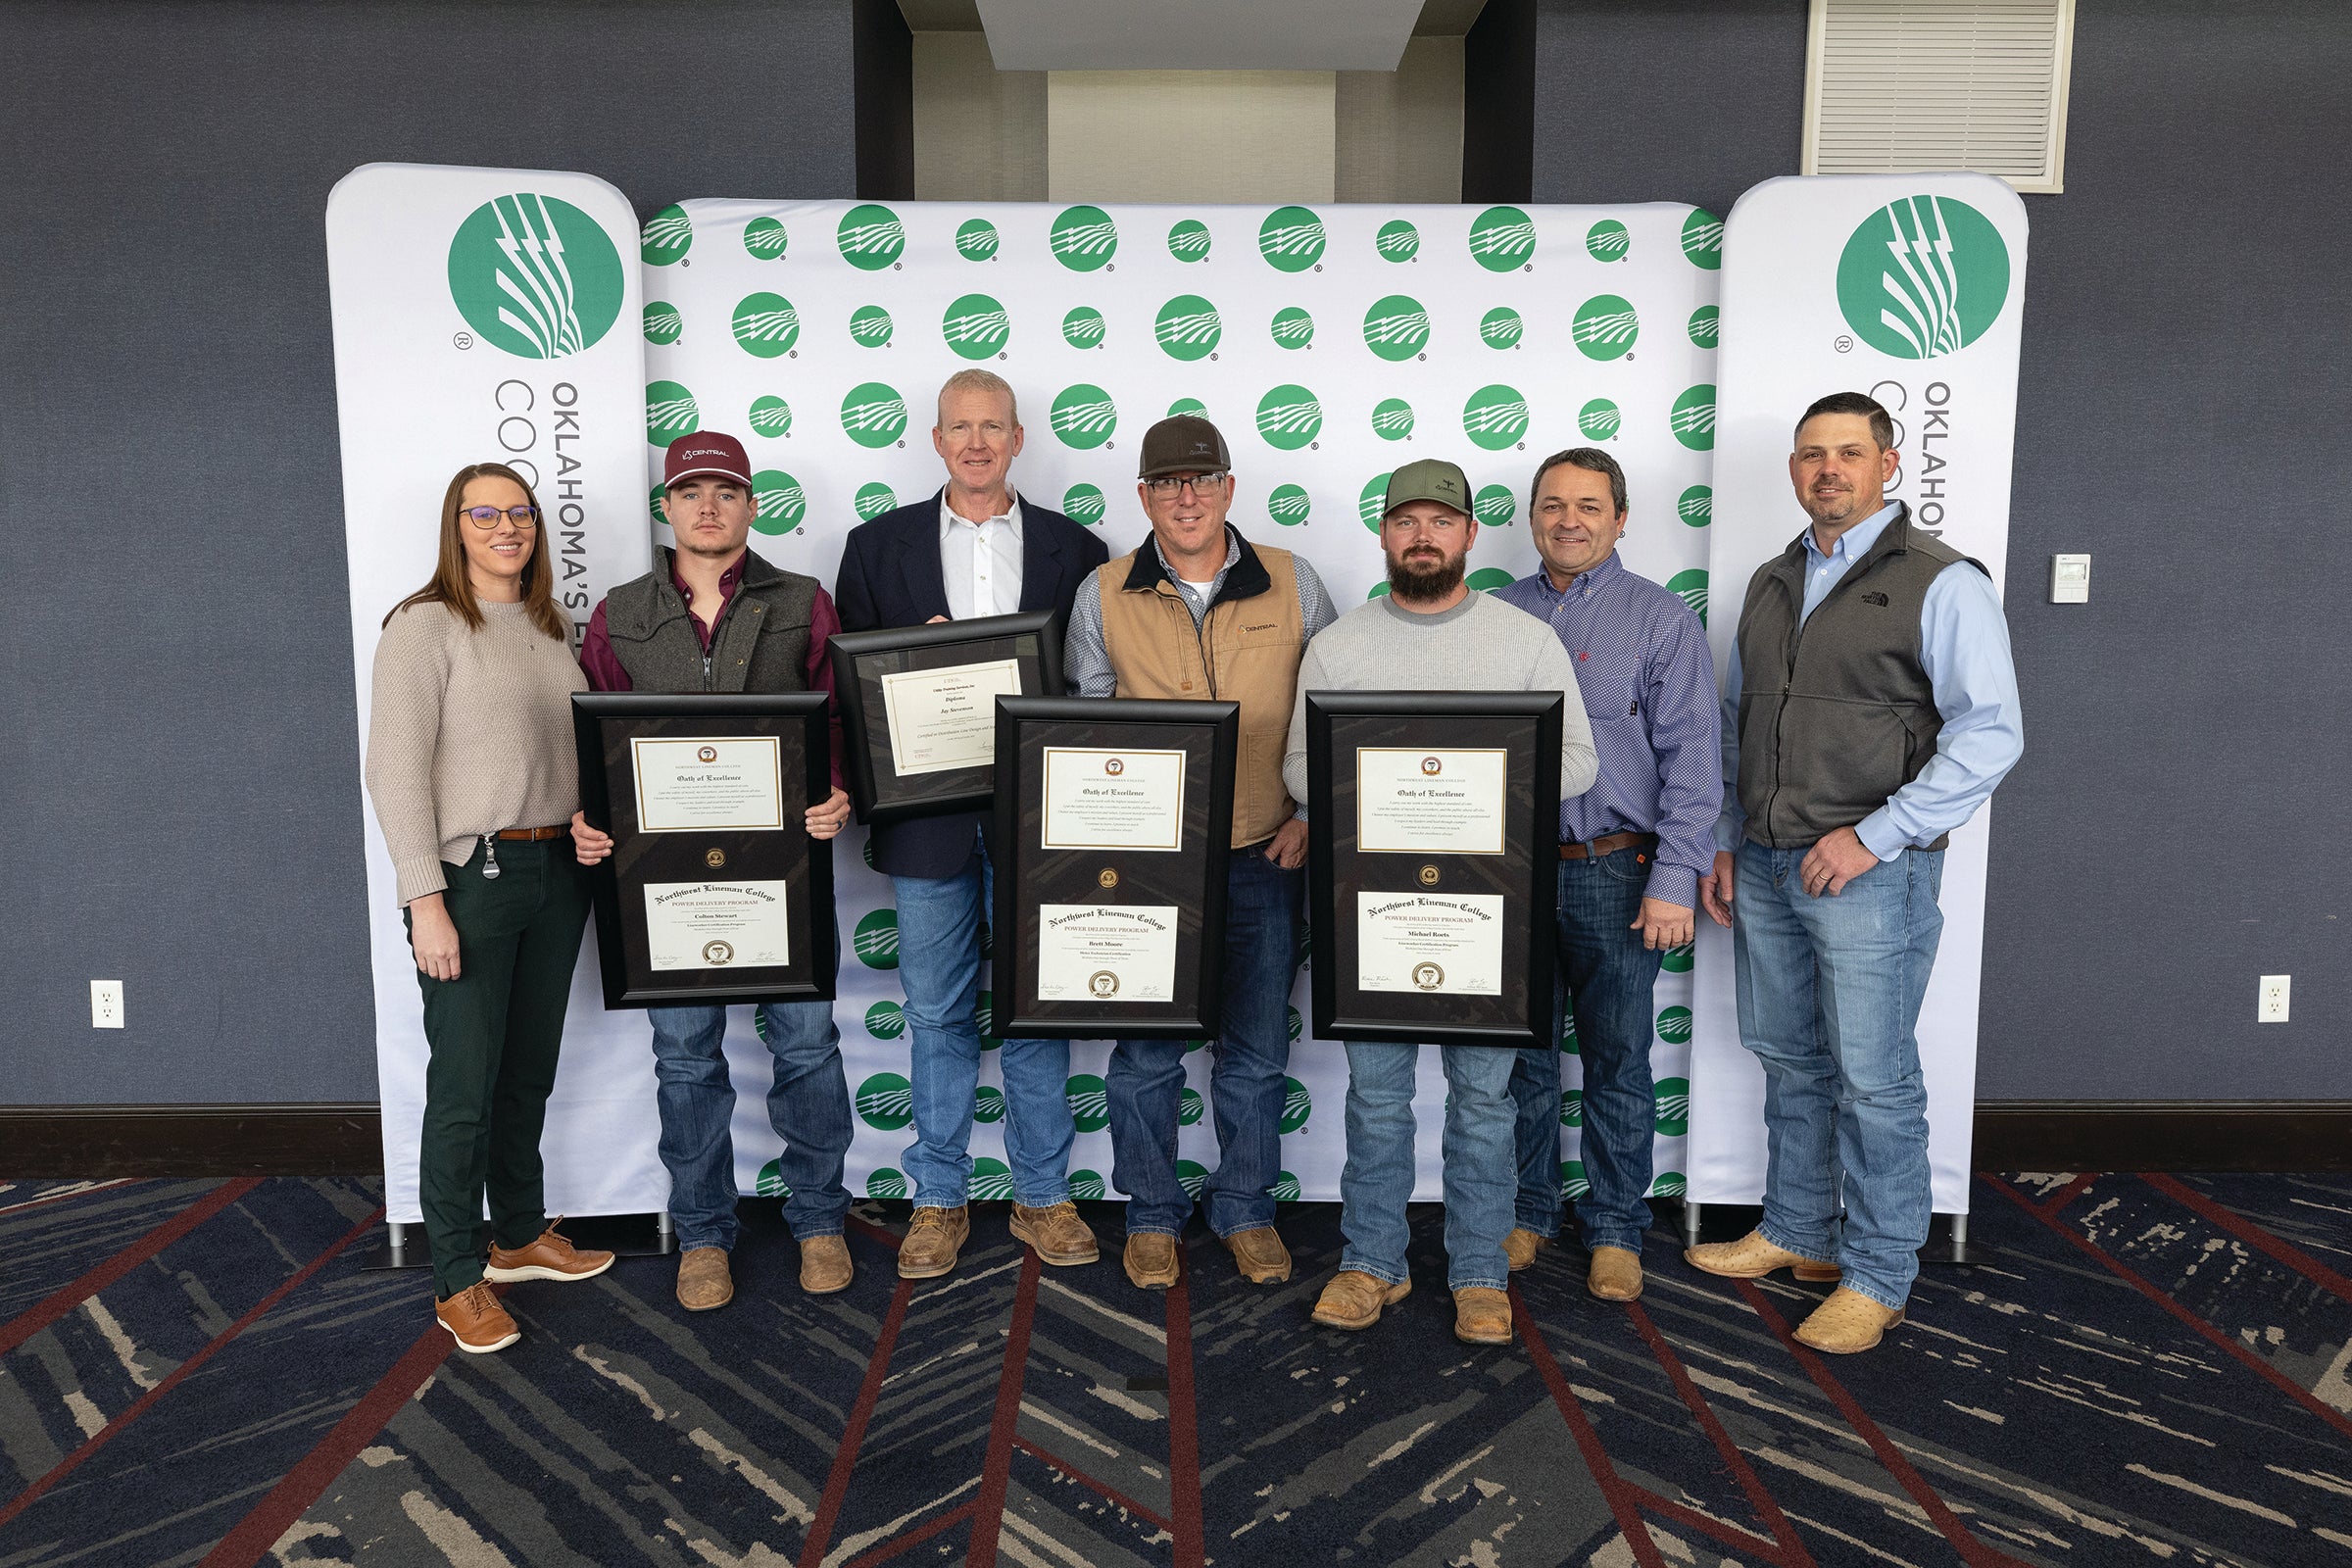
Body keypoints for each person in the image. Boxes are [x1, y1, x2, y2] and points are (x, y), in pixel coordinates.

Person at [1690, 391, 2023, 1353]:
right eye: (1810, 454)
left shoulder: (1941, 581)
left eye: (1847, 452)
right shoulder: (1770, 579)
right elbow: (1738, 722)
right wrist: (1724, 832)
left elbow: (1992, 733)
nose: (1826, 468)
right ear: (1794, 470)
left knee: (1875, 1082)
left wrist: (1877, 835)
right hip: (1764, 860)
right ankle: (1798, 1229)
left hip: (1869, 873)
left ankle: (1879, 1273)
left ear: (1888, 463)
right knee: (1790, 1057)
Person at [1282, 460, 1598, 1346]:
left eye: (1440, 522)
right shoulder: (1340, 646)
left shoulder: (1523, 639)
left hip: (1490, 911)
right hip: (1371, 909)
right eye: (1405, 521)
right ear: (1383, 535)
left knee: (1485, 1100)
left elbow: (1579, 762)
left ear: (1467, 534)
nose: (1423, 536)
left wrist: (1470, 790)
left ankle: (1478, 1273)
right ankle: (1369, 1262)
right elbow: (1301, 768)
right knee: (1376, 1097)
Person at [570, 432, 858, 1311]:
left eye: (726, 491)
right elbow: (594, 741)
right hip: (663, 887)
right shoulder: (619, 611)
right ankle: (703, 1233)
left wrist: (839, 790)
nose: (708, 506)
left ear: (751, 506)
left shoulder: (805, 602)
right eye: (691, 491)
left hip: (785, 874)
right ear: (667, 506)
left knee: (807, 1047)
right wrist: (590, 819)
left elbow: (839, 720)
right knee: (685, 1057)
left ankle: (819, 1219)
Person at [833, 370, 1110, 1281]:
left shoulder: (1078, 549)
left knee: (1037, 1006)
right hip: (928, 825)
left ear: (1020, 438)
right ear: (936, 438)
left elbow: (1089, 689)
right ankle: (938, 1198)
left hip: (1042, 820)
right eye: (962, 427)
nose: (979, 442)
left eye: (994, 426)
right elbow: (852, 695)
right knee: (938, 1010)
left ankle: (1040, 1196)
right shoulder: (876, 548)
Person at [1063, 415, 1336, 1291]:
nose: (1187, 497)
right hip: (1150, 869)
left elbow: (1327, 710)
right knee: (1146, 1054)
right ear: (1142, 496)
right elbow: (1086, 727)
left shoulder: (1295, 580)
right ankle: (1149, 1213)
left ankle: (1245, 1207)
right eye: (1167, 483)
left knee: (1255, 1051)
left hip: (1267, 851)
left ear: (1228, 487)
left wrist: (1307, 815)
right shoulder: (1101, 590)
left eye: (1203, 479)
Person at [365, 462, 614, 1354]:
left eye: (520, 514)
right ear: (455, 526)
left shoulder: (553, 632)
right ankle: (456, 1276)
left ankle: (517, 1235)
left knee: (527, 1070)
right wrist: (423, 897)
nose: (506, 527)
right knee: (464, 1087)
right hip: (473, 878)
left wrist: (589, 825)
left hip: (556, 875)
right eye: (485, 514)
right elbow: (393, 771)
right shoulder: (424, 626)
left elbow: (570, 754)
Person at [1491, 448, 1720, 1304]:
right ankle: (1528, 1209)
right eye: (1553, 505)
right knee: (1524, 1057)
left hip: (1618, 871)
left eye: (1590, 506)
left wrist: (1674, 879)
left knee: (1620, 1058)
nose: (1569, 521)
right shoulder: (1495, 615)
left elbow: (1695, 761)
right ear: (1532, 518)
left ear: (1621, 518)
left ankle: (1618, 1227)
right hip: (1508, 874)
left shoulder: (1661, 621)